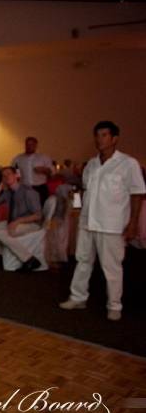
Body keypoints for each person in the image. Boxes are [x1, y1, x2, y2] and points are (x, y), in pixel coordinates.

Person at [60, 121, 145, 321]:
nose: (100, 139)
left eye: (105, 135)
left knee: (112, 266)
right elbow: (87, 190)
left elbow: (136, 194)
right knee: (82, 260)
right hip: (88, 220)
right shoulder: (91, 164)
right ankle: (78, 297)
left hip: (111, 224)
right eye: (97, 135)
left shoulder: (128, 163)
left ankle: (114, 305)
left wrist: (132, 223)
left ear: (114, 138)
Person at [0, 166, 44, 272]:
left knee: (0, 234)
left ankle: (30, 259)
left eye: (9, 174)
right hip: (13, 222)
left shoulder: (28, 191)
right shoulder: (8, 192)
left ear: (16, 175)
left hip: (32, 224)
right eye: (3, 175)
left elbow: (38, 215)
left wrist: (17, 222)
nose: (6, 177)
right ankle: (5, 253)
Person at [12, 136, 53, 206]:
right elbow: (15, 171)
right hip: (24, 187)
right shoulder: (18, 158)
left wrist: (44, 170)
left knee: (41, 208)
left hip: (40, 188)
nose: (29, 146)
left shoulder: (43, 157)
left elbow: (51, 173)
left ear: (36, 146)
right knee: (25, 208)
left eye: (31, 145)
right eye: (27, 144)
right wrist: (17, 178)